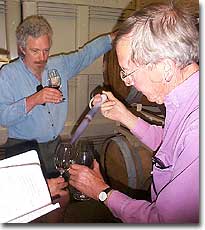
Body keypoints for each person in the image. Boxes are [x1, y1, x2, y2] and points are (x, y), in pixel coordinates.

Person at [69, 2, 199, 223]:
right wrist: (124, 115)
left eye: (129, 72)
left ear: (165, 68)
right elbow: (169, 144)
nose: (128, 82)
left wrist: (102, 192)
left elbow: (164, 222)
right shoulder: (185, 99)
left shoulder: (197, 128)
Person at [0, 15, 116, 178]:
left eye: (46, 50)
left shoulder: (59, 65)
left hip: (55, 146)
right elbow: (3, 117)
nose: (42, 57)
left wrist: (114, 38)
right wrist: (35, 99)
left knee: (60, 194)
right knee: (32, 200)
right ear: (22, 48)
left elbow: (86, 54)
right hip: (22, 149)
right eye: (35, 51)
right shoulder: (8, 74)